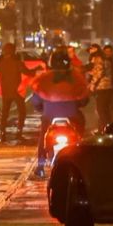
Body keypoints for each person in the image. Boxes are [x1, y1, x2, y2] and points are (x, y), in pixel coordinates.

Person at [31, 50, 89, 178]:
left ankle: (40, 166)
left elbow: (35, 100)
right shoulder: (76, 77)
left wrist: (42, 108)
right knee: (80, 134)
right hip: (72, 115)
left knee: (43, 137)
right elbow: (84, 99)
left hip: (49, 115)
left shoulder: (44, 78)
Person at [0, 43, 38, 142]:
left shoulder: (1, 63)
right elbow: (28, 72)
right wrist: (37, 69)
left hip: (6, 93)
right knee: (22, 112)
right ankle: (18, 133)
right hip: (17, 92)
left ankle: (2, 134)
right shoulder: (18, 62)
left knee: (5, 113)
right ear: (13, 51)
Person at [87, 46, 113, 132]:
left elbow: (99, 72)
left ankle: (105, 129)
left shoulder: (98, 59)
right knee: (105, 110)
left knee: (101, 110)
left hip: (102, 87)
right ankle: (106, 127)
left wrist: (92, 84)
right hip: (108, 87)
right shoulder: (105, 59)